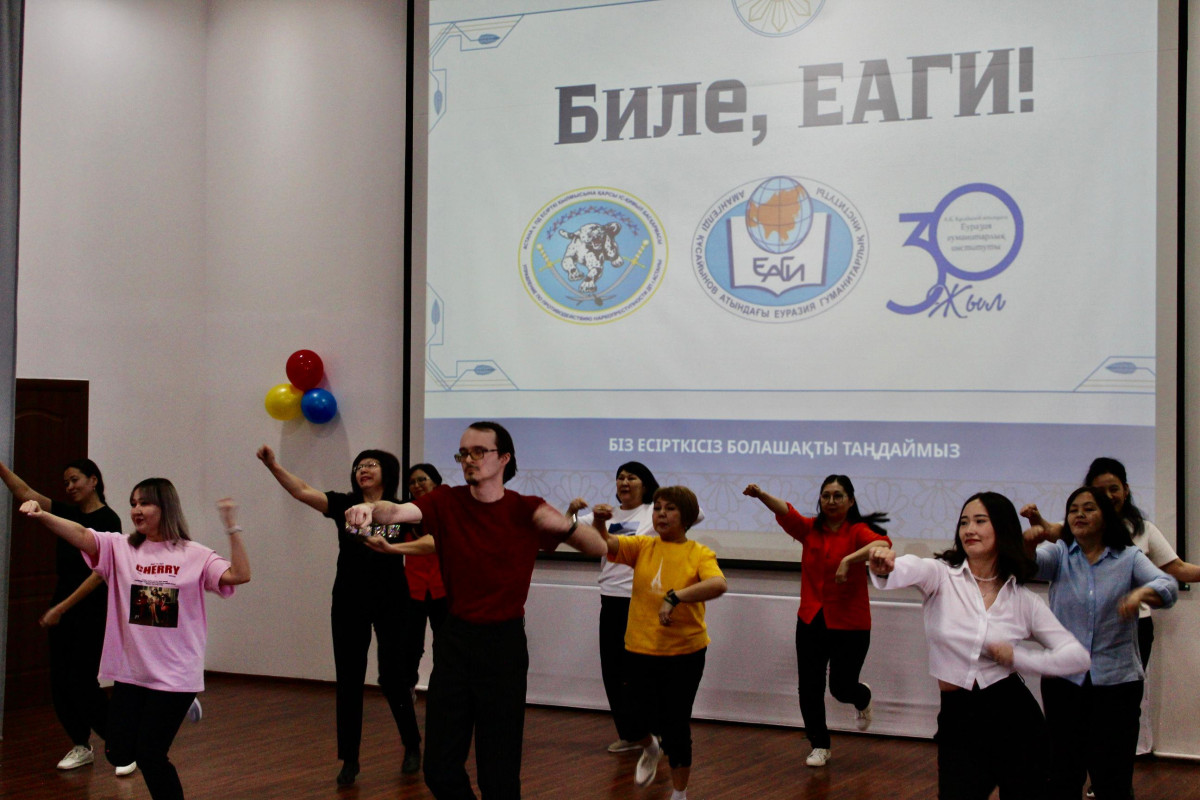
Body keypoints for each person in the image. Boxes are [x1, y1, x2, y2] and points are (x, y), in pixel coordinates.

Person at [346, 421, 607, 800]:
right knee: (439, 770)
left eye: (479, 451)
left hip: (504, 646)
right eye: (463, 453)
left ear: (504, 458)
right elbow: (395, 511)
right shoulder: (445, 501)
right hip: (455, 641)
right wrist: (368, 508)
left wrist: (565, 525)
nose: (469, 459)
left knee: (499, 777)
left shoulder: (527, 508)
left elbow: (598, 548)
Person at [18, 479, 250, 800]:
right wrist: (42, 514)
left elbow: (240, 575)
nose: (136, 510)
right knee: (118, 753)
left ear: (165, 507)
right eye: (133, 503)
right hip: (133, 673)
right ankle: (177, 709)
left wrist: (232, 527)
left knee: (151, 755)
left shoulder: (194, 554)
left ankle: (180, 705)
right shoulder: (121, 548)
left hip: (175, 676)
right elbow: (82, 535)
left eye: (145, 503)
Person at [868, 491, 1090, 799]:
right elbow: (909, 567)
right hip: (958, 719)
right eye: (964, 522)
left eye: (980, 521)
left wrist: (1020, 658)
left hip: (1016, 721)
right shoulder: (941, 576)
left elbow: (1077, 657)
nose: (969, 529)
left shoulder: (1023, 600)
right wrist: (885, 565)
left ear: (1002, 529)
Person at [256, 445, 421, 785]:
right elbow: (302, 491)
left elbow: (429, 537)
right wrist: (273, 465)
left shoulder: (401, 508)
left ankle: (412, 744)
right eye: (359, 465)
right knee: (348, 679)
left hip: (393, 600)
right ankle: (349, 759)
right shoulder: (345, 505)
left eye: (371, 464)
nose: (364, 469)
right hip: (349, 600)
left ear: (387, 472)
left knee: (393, 678)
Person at [1024, 487, 1178, 800]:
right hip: (1064, 682)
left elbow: (1168, 585)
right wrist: (1028, 545)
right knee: (1063, 774)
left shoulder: (1129, 557)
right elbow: (1029, 567)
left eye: (1089, 508)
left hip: (1116, 683)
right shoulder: (1061, 553)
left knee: (1113, 779)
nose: (1079, 515)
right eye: (1073, 510)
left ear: (1106, 517)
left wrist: (1142, 593)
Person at [742, 475, 890, 767]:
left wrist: (848, 560)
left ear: (850, 501)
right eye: (826, 496)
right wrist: (760, 495)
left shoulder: (857, 531)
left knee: (841, 688)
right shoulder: (810, 530)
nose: (831, 501)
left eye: (838, 496)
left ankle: (862, 697)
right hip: (811, 619)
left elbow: (881, 544)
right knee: (809, 687)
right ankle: (819, 744)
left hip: (851, 623)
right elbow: (787, 512)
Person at [0, 458, 131, 774]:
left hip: (91, 609)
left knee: (82, 682)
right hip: (62, 605)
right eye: (66, 482)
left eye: (75, 480)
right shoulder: (67, 513)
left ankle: (123, 746)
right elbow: (25, 492)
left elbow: (100, 574)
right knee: (59, 681)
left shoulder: (109, 520)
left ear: (93, 480)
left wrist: (61, 608)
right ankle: (81, 745)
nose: (70, 487)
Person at [598, 485, 726, 800]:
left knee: (676, 725)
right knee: (630, 720)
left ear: (687, 517)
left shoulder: (699, 553)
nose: (661, 514)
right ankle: (649, 747)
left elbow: (718, 584)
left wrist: (675, 597)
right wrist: (599, 522)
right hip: (639, 649)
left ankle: (679, 794)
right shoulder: (642, 546)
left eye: (670, 509)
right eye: (657, 508)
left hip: (684, 652)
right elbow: (605, 543)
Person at [565, 460, 661, 754]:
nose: (624, 482)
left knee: (644, 671)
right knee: (614, 670)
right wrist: (572, 510)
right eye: (620, 477)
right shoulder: (605, 516)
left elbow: (697, 513)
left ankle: (655, 731)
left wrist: (663, 500)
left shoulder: (654, 512)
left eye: (632, 477)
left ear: (645, 484)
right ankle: (630, 734)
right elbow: (564, 529)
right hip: (611, 599)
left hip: (643, 600)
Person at [401, 463, 449, 703]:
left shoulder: (449, 511)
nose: (417, 485)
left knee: (446, 644)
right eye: (412, 482)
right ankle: (407, 688)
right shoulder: (404, 514)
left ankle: (444, 690)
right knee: (411, 645)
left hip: (444, 589)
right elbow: (377, 532)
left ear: (436, 482)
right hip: (413, 590)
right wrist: (353, 525)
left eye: (422, 479)